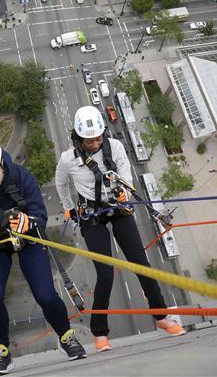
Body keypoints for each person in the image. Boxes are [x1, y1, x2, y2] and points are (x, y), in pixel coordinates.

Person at [55, 107, 186, 353]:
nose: (95, 143)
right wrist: (68, 208)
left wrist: (125, 190)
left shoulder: (114, 147)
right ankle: (100, 333)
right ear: (78, 138)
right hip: (92, 216)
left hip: (118, 208)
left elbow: (125, 172)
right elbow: (60, 182)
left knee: (140, 263)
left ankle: (161, 318)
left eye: (98, 138)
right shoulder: (68, 159)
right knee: (105, 274)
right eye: (89, 140)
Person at [0, 132, 86, 376]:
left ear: (0, 165)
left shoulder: (20, 177)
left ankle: (66, 336)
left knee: (46, 294)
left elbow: (40, 214)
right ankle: (1, 353)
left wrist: (27, 222)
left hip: (27, 236)